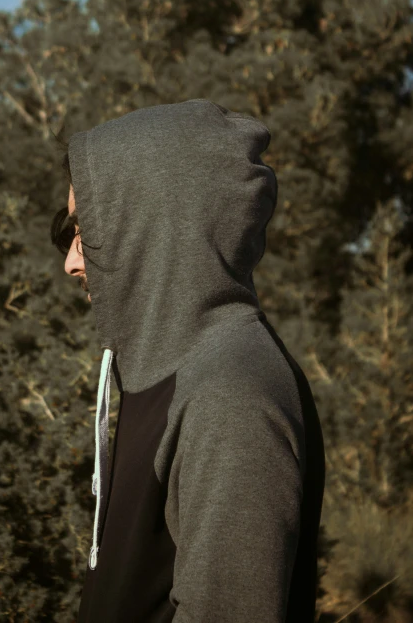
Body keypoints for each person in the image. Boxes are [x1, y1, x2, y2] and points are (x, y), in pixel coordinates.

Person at [51, 99, 326, 622]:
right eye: (67, 234)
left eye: (86, 231)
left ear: (157, 222)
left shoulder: (232, 394)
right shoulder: (170, 371)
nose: (70, 260)